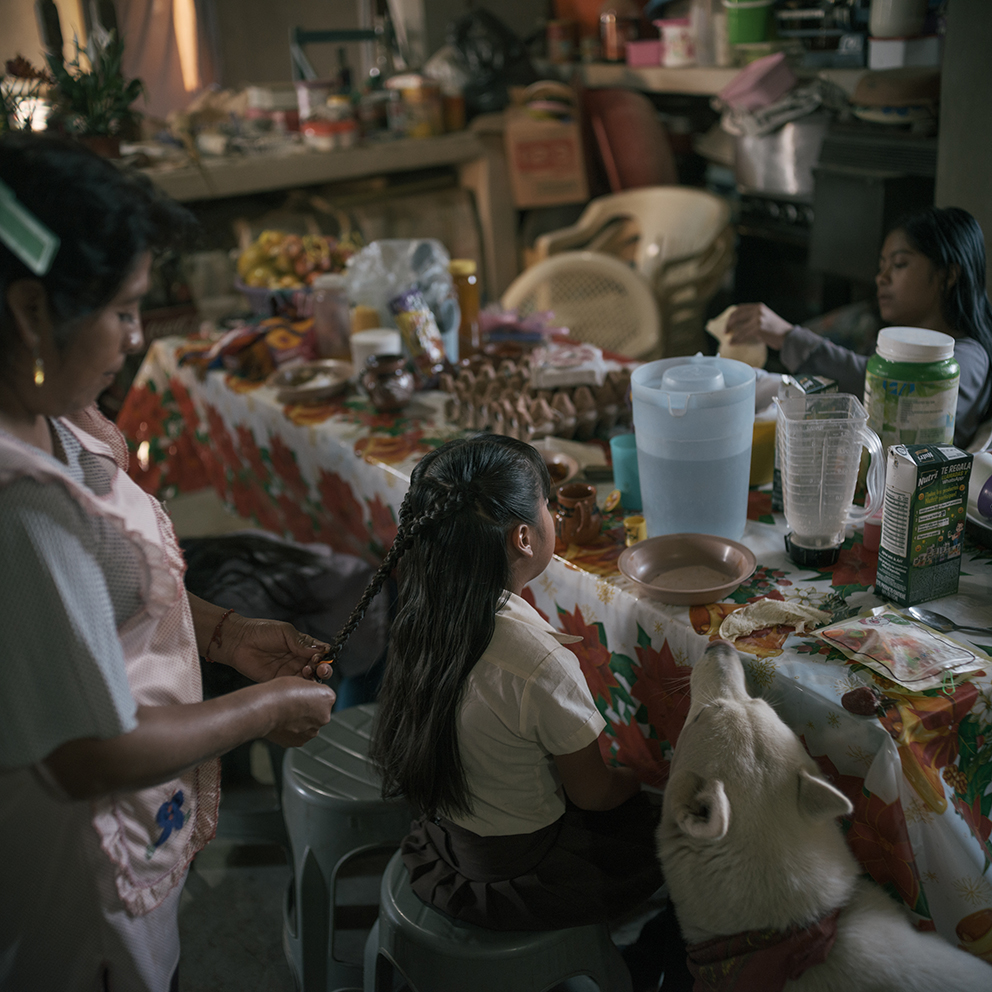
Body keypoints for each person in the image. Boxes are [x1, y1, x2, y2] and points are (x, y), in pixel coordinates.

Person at [0, 133, 337, 992]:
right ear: (32, 311)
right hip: (76, 877)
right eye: (123, 311)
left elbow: (110, 594)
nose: (136, 336)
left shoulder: (52, 412)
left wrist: (226, 635)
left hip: (127, 827)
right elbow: (90, 753)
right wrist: (261, 709)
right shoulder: (20, 510)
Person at [325, 432, 691, 988]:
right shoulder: (539, 662)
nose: (552, 514)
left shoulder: (423, 610)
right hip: (526, 870)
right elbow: (592, 793)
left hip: (449, 841)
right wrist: (638, 781)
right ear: (524, 537)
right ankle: (629, 958)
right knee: (672, 836)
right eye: (547, 503)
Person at [727, 206, 992, 449]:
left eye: (899, 264)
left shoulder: (968, 359)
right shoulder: (878, 339)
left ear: (949, 274)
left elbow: (883, 392)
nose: (881, 278)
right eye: (882, 266)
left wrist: (787, 336)